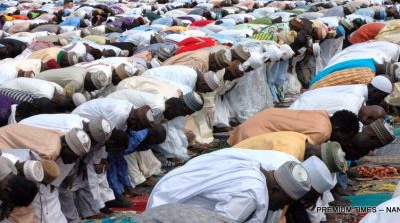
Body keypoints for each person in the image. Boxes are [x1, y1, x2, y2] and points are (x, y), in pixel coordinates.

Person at [148, 149, 311, 222]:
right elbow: (220, 221)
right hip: (166, 209)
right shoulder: (250, 194)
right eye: (284, 202)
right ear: (275, 190)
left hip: (173, 191)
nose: (280, 208)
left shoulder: (257, 169)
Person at [227, 108, 359, 146]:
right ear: (337, 129)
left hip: (261, 120)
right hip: (254, 133)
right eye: (347, 137)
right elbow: (301, 151)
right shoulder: (323, 132)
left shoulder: (322, 115)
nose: (345, 142)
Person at [107, 125, 166, 206]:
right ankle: (115, 196)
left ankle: (124, 190)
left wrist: (128, 186)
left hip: (115, 149)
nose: (152, 145)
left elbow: (121, 162)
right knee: (110, 169)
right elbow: (113, 160)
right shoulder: (137, 139)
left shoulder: (143, 136)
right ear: (152, 135)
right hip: (107, 151)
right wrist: (119, 194)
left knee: (121, 164)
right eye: (154, 142)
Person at [142, 65, 221, 93]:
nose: (205, 93)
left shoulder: (193, 75)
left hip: (150, 79)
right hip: (147, 80)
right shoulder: (190, 78)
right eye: (206, 90)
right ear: (203, 84)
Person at [35, 67, 108, 96]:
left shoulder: (84, 71)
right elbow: (64, 97)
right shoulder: (77, 81)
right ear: (90, 83)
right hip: (39, 83)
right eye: (93, 88)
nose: (92, 90)